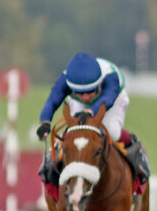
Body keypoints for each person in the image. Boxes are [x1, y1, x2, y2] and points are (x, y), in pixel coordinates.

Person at [36, 53, 150, 186]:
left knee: (112, 131)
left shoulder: (110, 75)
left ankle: (135, 148)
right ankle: (52, 157)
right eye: (80, 92)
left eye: (90, 91)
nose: (85, 97)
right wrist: (45, 121)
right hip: (82, 104)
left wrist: (90, 111)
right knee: (72, 134)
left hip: (112, 100)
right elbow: (52, 101)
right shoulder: (65, 79)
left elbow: (108, 97)